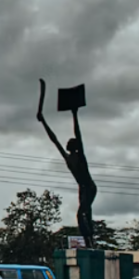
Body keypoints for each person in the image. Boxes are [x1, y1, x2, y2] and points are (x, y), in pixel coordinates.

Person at [36, 92, 98, 249]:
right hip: (82, 188)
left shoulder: (80, 156)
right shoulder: (68, 157)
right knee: (86, 214)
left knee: (82, 214)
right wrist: (43, 122)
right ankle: (90, 241)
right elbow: (54, 139)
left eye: (71, 142)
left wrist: (74, 115)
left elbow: (78, 133)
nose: (67, 142)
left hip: (89, 187)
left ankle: (90, 241)